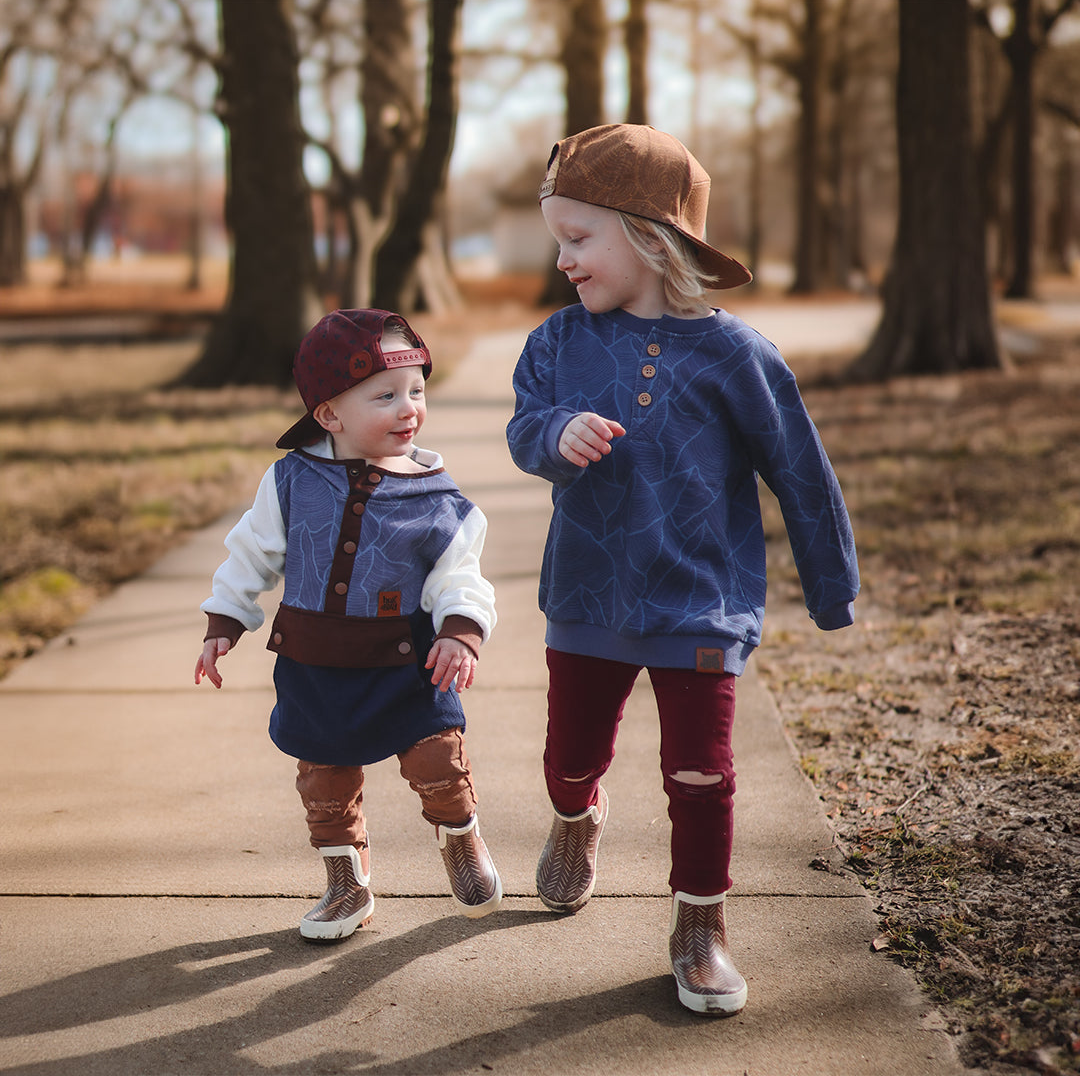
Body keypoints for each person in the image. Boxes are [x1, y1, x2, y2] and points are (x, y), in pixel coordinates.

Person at [506, 124, 859, 1015]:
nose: (564, 262)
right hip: (587, 593)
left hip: (702, 602)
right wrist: (555, 435)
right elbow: (522, 428)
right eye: (557, 240)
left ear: (649, 235)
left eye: (579, 239)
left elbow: (801, 473)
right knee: (568, 757)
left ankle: (700, 927)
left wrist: (831, 586)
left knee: (701, 773)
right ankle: (577, 816)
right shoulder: (556, 343)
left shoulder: (737, 356)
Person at [195, 308, 501, 940]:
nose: (408, 407)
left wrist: (459, 630)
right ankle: (346, 883)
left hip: (410, 665)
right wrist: (226, 618)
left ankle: (460, 834)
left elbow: (460, 577)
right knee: (324, 781)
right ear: (329, 415)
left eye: (417, 391)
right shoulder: (289, 482)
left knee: (437, 761)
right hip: (315, 663)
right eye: (385, 396)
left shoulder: (439, 500)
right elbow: (252, 551)